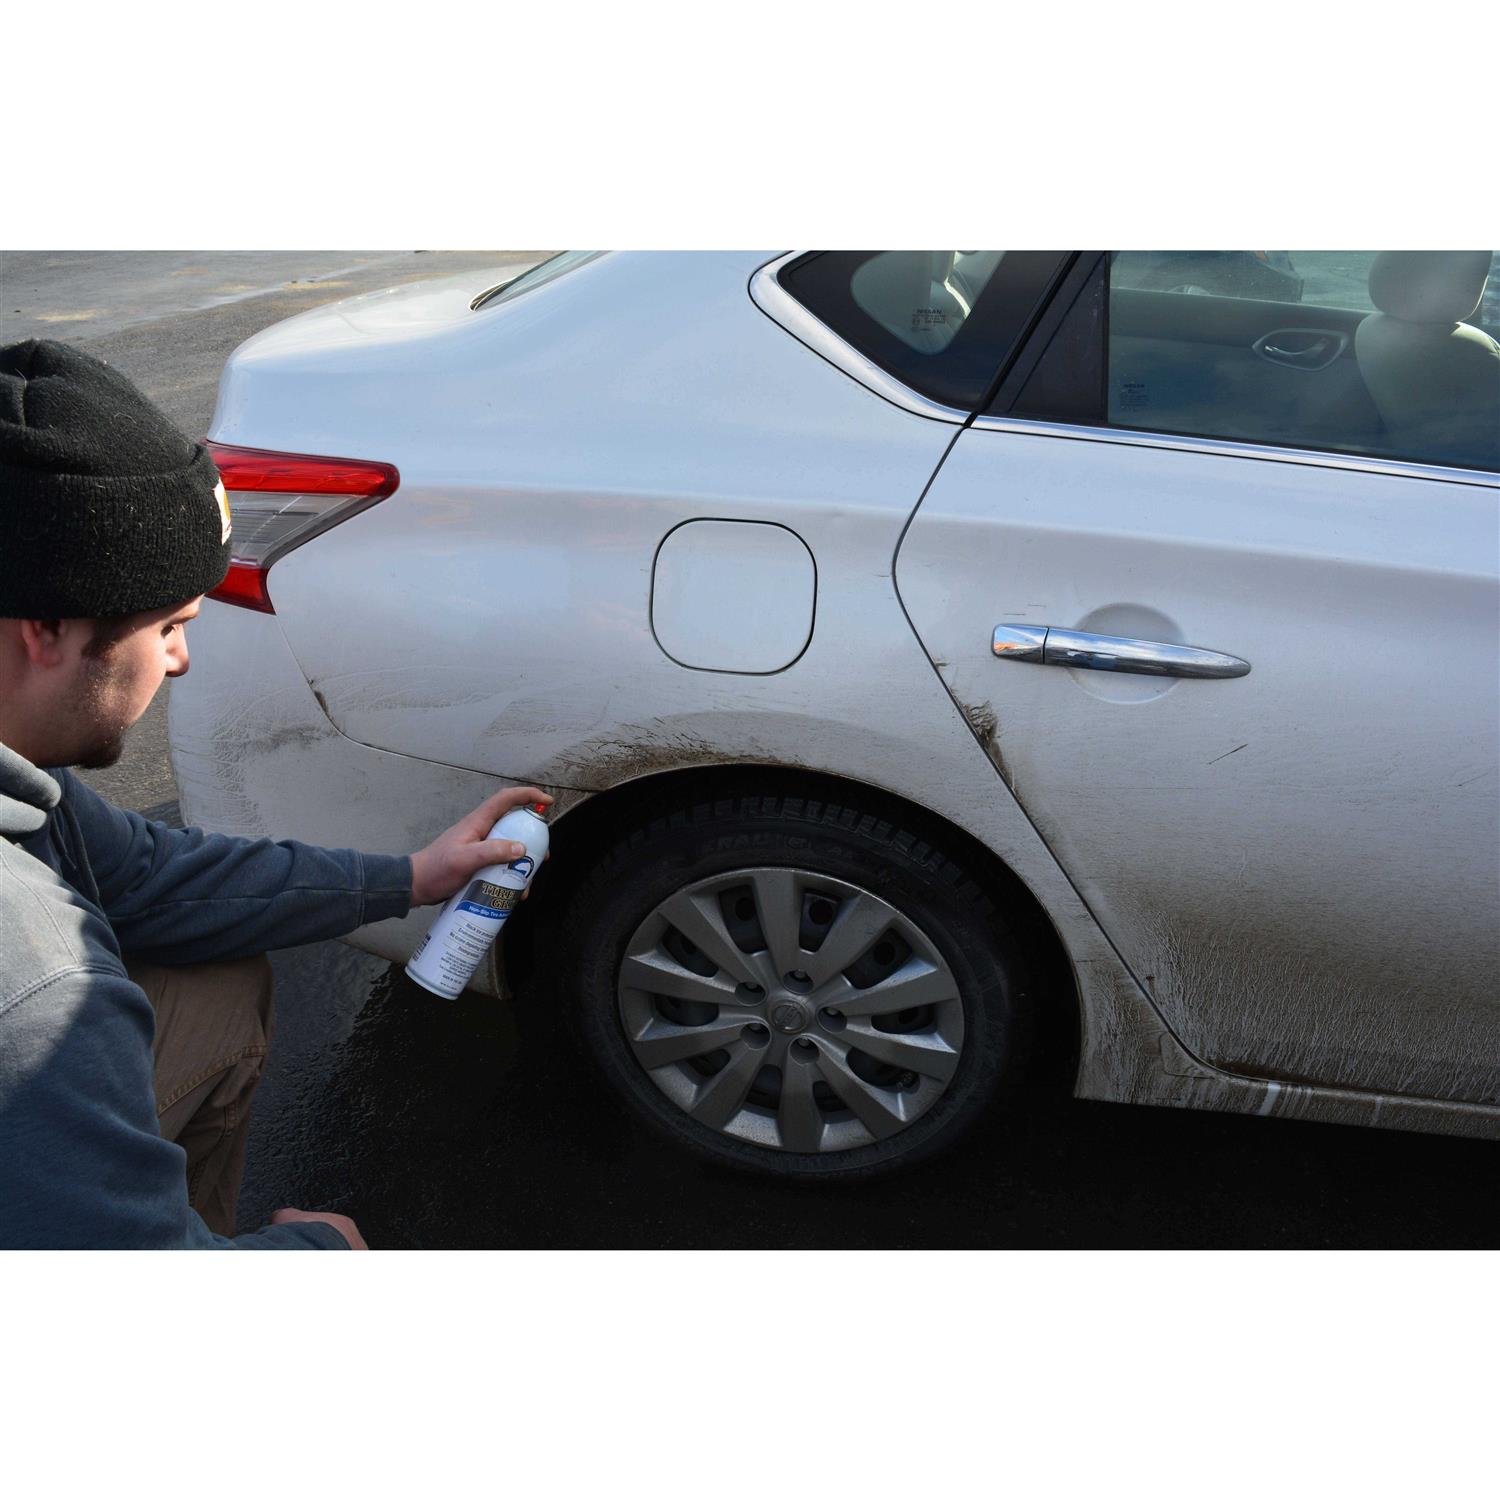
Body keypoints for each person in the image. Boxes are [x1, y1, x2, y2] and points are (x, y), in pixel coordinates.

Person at [0, 338, 551, 1249]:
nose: (181, 659)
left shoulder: (29, 794)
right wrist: (318, 1252)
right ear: (47, 629)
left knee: (212, 979)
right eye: (170, 626)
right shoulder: (39, 985)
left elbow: (147, 874)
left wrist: (410, 877)